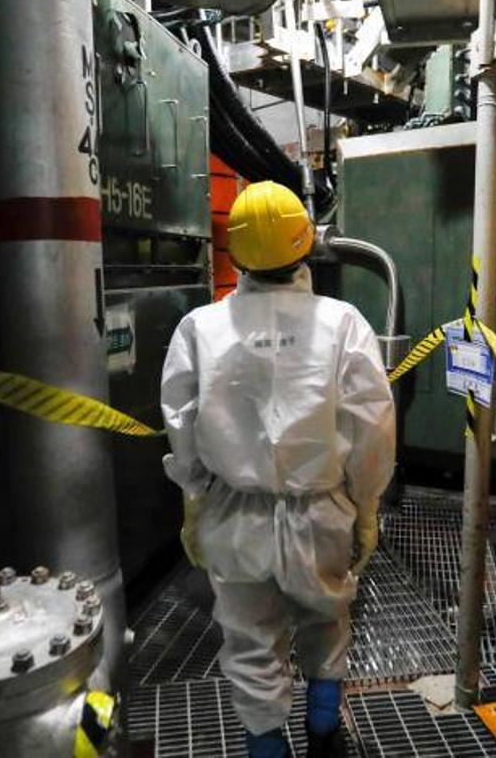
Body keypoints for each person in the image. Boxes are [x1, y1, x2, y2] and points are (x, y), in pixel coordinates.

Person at [160, 181, 396, 758]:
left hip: (232, 517)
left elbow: (181, 426)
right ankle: (323, 732)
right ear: (305, 241)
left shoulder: (199, 328)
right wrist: (366, 506)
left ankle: (267, 749)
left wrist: (193, 501)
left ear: (235, 252)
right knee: (326, 618)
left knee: (249, 642)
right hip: (321, 513)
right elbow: (372, 426)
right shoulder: (343, 323)